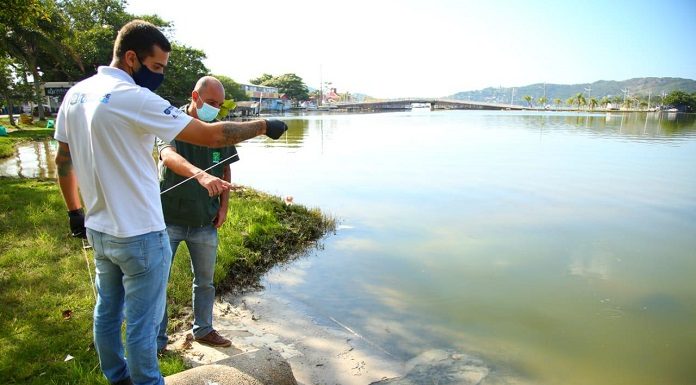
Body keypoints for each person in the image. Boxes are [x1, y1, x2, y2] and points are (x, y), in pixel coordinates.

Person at [54, 20, 286, 385]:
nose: (160, 75)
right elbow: (212, 136)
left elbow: (63, 161)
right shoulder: (133, 97)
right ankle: (147, 381)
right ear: (132, 58)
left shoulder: (77, 95)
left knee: (108, 312)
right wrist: (263, 126)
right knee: (144, 323)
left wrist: (74, 212)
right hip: (140, 233)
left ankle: (117, 377)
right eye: (157, 67)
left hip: (98, 228)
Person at [156, 76, 238, 350]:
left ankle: (203, 329)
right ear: (195, 96)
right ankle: (158, 340)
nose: (214, 109)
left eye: (218, 104)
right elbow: (168, 156)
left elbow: (226, 169)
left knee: (205, 282)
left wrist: (224, 207)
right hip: (168, 219)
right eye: (211, 102)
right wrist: (200, 175)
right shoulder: (171, 121)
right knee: (158, 283)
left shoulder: (219, 130)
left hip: (205, 220)